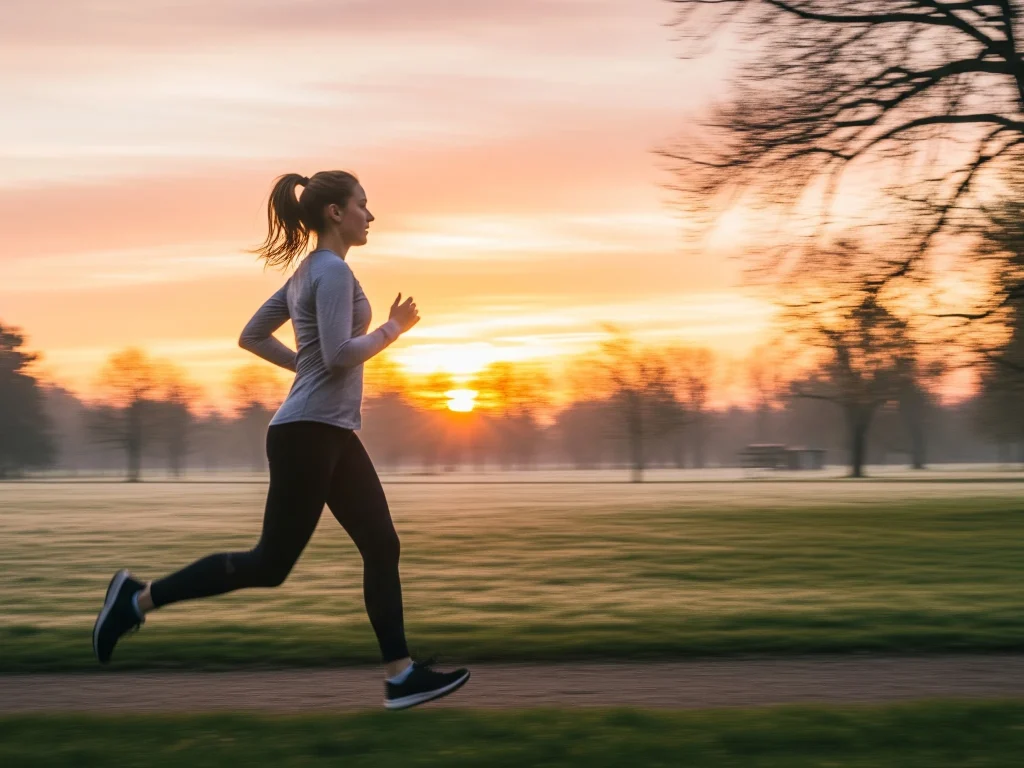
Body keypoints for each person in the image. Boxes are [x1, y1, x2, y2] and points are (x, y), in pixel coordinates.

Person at [92, 170, 470, 710]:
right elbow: (337, 356)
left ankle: (401, 676)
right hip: (309, 433)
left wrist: (305, 367)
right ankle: (135, 599)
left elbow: (253, 336)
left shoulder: (307, 273)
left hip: (328, 430)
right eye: (362, 204)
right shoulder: (331, 272)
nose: (370, 215)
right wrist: (392, 329)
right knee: (270, 564)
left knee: (381, 544)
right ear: (335, 212)